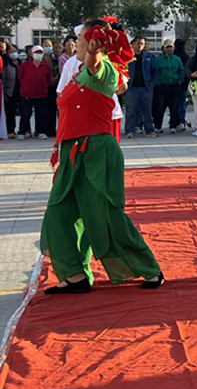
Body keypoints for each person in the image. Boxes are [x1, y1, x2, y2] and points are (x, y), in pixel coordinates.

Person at [40, 19, 163, 294]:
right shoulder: (78, 72)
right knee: (59, 213)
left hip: (96, 153)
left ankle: (148, 268)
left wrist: (96, 54)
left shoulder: (106, 70)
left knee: (106, 215)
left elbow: (98, 67)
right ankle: (74, 275)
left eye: (83, 39)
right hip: (73, 153)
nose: (78, 43)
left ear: (97, 44)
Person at [17, 45, 52, 139]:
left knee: (42, 114)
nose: (38, 55)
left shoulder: (46, 66)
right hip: (26, 94)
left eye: (40, 53)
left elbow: (49, 79)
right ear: (32, 54)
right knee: (25, 113)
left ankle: (41, 131)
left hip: (41, 94)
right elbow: (20, 77)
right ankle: (23, 131)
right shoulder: (26, 65)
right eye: (36, 53)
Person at [126, 36, 159, 138]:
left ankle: (149, 130)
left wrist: (152, 83)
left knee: (147, 111)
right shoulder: (128, 57)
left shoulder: (149, 57)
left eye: (142, 44)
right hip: (132, 88)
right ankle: (129, 131)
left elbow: (155, 72)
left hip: (146, 88)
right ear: (133, 44)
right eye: (138, 43)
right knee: (131, 111)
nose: (140, 46)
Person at [153, 39, 183, 134]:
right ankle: (158, 126)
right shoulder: (159, 59)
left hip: (174, 85)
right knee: (161, 107)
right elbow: (156, 71)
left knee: (174, 107)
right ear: (164, 48)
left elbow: (181, 70)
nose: (169, 49)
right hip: (163, 86)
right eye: (167, 47)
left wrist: (180, 81)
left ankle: (173, 126)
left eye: (171, 47)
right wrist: (158, 82)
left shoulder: (177, 59)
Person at [3, 44, 21, 137]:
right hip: (10, 91)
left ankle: (23, 130)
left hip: (22, 91)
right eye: (11, 52)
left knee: (24, 111)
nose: (13, 53)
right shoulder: (7, 65)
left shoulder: (21, 63)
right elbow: (4, 79)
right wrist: (5, 93)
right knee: (10, 112)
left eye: (15, 51)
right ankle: (11, 130)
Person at [172, 38, 190, 130]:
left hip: (174, 83)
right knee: (182, 104)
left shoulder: (173, 56)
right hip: (184, 84)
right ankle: (181, 121)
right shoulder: (187, 57)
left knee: (173, 104)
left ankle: (174, 122)